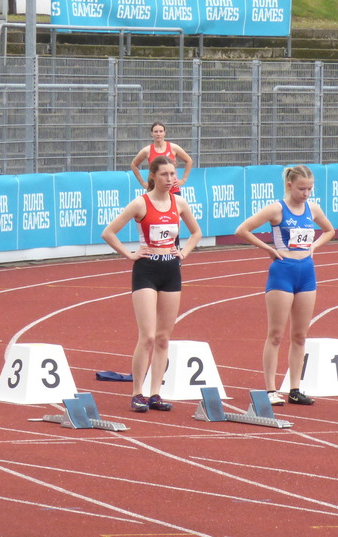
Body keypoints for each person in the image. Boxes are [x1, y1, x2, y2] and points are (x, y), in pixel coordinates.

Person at [102, 157, 202, 412]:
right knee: (147, 336)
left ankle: (155, 393)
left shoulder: (179, 202)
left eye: (173, 174)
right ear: (153, 176)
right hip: (146, 270)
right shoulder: (140, 203)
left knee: (163, 338)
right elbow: (108, 232)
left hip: (171, 269)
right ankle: (137, 393)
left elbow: (196, 232)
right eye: (165, 174)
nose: (170, 179)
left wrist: (184, 252)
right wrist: (130, 254)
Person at [234, 165, 336, 406]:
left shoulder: (313, 209)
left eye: (310, 189)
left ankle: (294, 389)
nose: (306, 193)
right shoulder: (276, 209)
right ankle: (270, 389)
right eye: (302, 188)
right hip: (283, 273)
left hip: (307, 273)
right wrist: (269, 249)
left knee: (300, 335)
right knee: (276, 334)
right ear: (289, 185)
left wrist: (314, 247)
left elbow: (330, 230)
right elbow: (242, 230)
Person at [130, 121, 193, 194]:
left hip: (172, 189)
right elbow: (133, 164)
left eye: (161, 131)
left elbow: (189, 160)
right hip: (155, 189)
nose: (158, 134)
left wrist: (183, 179)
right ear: (152, 134)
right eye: (156, 132)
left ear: (164, 133)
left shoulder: (173, 147)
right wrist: (142, 183)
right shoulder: (147, 150)